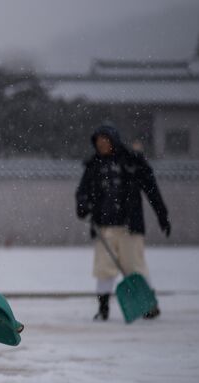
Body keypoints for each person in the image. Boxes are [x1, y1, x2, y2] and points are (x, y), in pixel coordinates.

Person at [75, 125, 171, 321]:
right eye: (98, 141)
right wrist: (83, 205)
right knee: (103, 268)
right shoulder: (94, 165)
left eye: (105, 140)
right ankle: (103, 309)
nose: (102, 145)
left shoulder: (132, 162)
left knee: (135, 266)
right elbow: (82, 191)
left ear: (114, 140)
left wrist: (162, 215)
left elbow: (151, 189)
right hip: (103, 226)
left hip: (130, 226)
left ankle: (148, 305)